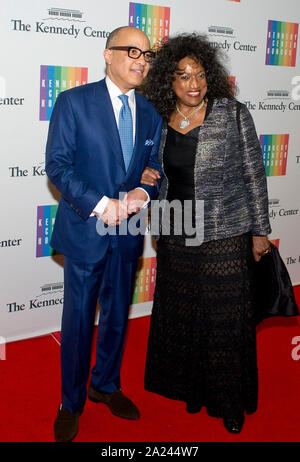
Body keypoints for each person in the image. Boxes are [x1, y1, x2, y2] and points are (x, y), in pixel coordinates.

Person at [141, 33, 271, 434]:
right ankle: (192, 390)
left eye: (199, 75)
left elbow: (254, 174)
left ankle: (230, 402)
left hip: (225, 230)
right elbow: (156, 173)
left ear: (209, 77)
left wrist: (260, 231)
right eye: (182, 76)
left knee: (224, 320)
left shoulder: (232, 113)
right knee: (183, 314)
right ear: (169, 81)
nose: (192, 83)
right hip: (174, 227)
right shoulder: (159, 119)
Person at [45, 26, 162, 443]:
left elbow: (155, 169)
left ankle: (105, 385)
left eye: (147, 55)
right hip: (85, 230)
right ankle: (71, 401)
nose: (141, 60)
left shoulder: (150, 112)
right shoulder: (73, 102)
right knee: (78, 320)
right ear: (106, 54)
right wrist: (102, 204)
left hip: (128, 233)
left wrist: (142, 192)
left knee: (116, 317)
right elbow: (58, 166)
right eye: (132, 51)